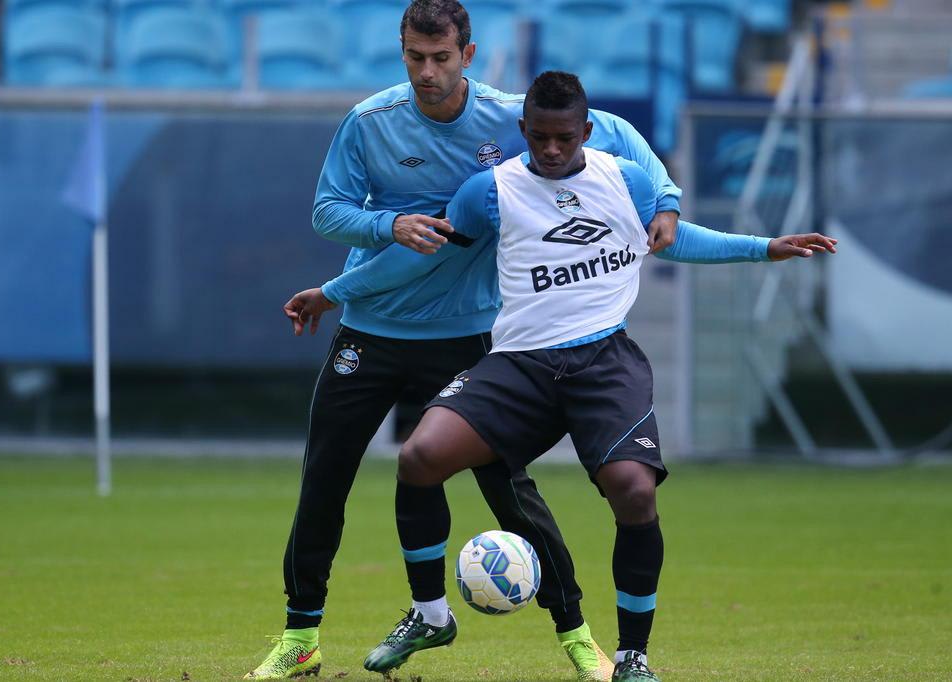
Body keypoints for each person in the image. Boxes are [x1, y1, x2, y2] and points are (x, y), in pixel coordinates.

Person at [285, 71, 837, 680]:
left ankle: (631, 657)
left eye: (564, 139)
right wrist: (332, 292)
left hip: (604, 363)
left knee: (634, 491)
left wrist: (763, 247)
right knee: (419, 457)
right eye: (540, 137)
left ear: (587, 134)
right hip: (518, 364)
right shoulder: (487, 191)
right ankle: (431, 614)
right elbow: (417, 261)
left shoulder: (622, 180)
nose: (551, 150)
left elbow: (673, 241)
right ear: (523, 130)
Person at [245, 1, 683, 679]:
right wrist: (388, 226)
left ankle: (578, 637)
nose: (427, 72)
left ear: (467, 56)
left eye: (440, 58)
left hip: (466, 337)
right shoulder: (369, 122)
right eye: (414, 57)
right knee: (323, 485)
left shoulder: (508, 120)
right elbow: (327, 212)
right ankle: (301, 637)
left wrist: (668, 199)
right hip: (372, 332)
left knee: (510, 492)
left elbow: (618, 135)